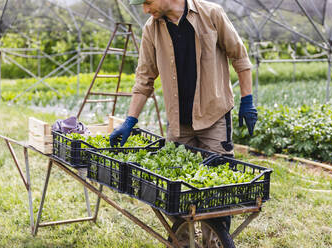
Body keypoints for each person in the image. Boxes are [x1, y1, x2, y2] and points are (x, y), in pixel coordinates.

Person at [110, 0, 257, 233]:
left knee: (217, 190)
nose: (145, 10)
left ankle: (214, 240)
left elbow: (240, 57)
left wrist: (246, 100)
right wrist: (130, 120)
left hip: (214, 116)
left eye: (147, 3)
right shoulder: (152, 28)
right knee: (177, 192)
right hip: (179, 123)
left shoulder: (212, 14)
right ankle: (184, 240)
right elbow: (144, 78)